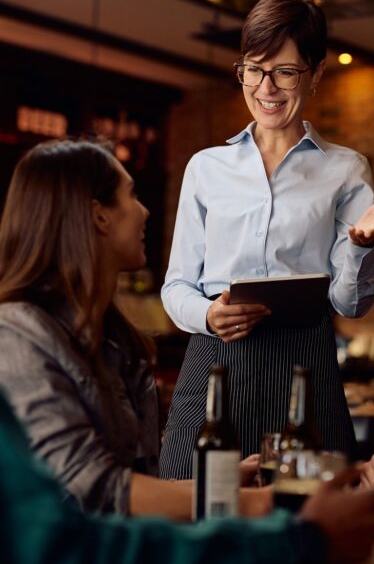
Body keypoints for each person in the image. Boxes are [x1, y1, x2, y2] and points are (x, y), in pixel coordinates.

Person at [160, 0, 374, 474]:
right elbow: (176, 286)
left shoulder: (346, 169)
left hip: (303, 364)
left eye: (285, 71)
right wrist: (209, 315)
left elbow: (349, 305)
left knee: (308, 516)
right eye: (254, 69)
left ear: (315, 75)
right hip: (215, 361)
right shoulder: (206, 168)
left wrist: (362, 248)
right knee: (191, 502)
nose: (266, 87)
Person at [0, 139, 257, 519]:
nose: (145, 210)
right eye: (131, 195)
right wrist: (256, 504)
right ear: (99, 216)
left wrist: (220, 487)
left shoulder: (118, 342)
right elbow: (95, 490)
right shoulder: (17, 335)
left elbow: (129, 490)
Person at [0, 386, 374, 564]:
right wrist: (295, 535)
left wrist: (213, 489)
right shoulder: (20, 335)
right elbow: (73, 549)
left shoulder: (110, 341)